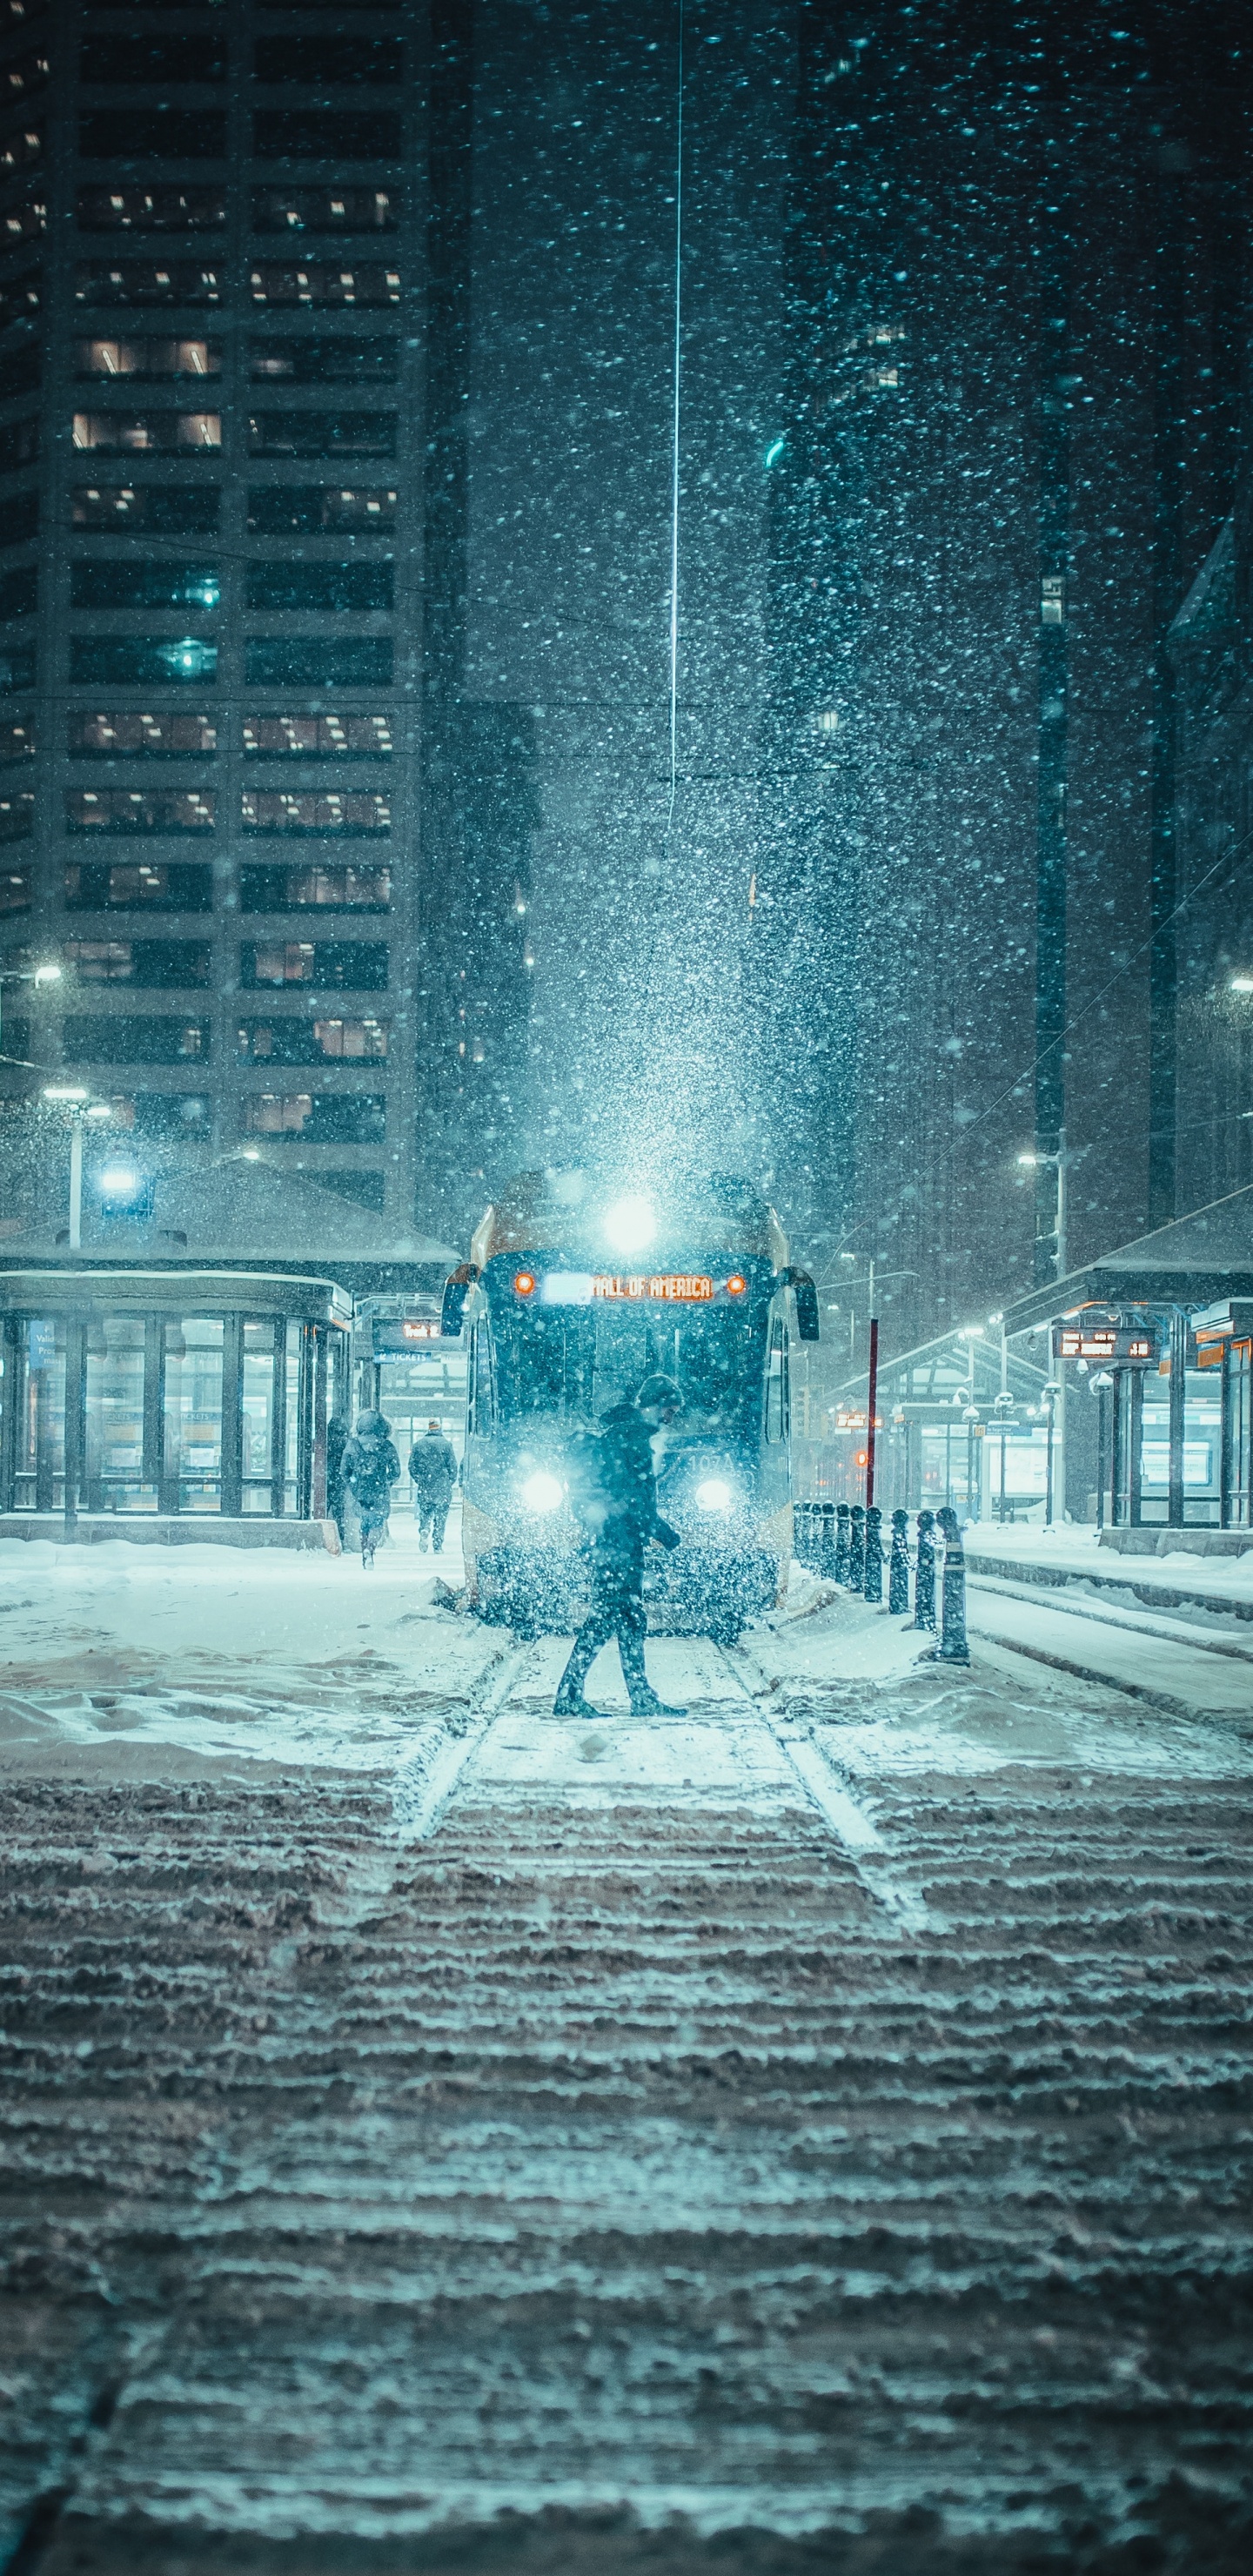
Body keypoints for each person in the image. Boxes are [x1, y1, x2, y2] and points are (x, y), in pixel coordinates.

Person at [553, 1373, 687, 1721]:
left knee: (628, 1618)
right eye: (668, 1410)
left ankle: (638, 1696)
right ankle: (571, 1694)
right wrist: (666, 1534)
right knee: (606, 1618)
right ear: (654, 1404)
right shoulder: (631, 1439)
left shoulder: (622, 1434)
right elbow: (635, 1501)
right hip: (620, 1543)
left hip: (614, 1541)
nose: (669, 1419)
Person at [340, 1408, 400, 1569]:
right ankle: (371, 1550)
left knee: (365, 1523)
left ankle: (364, 1551)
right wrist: (386, 1483)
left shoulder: (352, 1444)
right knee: (378, 1522)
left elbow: (344, 1471)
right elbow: (396, 1471)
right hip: (379, 1489)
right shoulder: (387, 1445)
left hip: (360, 1491)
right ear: (384, 1426)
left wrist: (354, 1484)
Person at [409, 1418, 459, 1553]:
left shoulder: (418, 1445)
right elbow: (453, 1467)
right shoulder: (446, 1445)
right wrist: (449, 1482)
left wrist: (420, 1479)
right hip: (442, 1487)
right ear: (439, 1429)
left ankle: (424, 1528)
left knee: (425, 1512)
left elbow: (412, 1466)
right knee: (441, 1517)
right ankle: (437, 1544)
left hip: (425, 1486)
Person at [325, 1412, 349, 1551]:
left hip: (326, 1479)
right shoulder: (345, 1442)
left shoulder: (326, 1440)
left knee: (325, 1508)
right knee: (339, 1512)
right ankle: (341, 1539)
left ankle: (327, 1539)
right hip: (339, 1480)